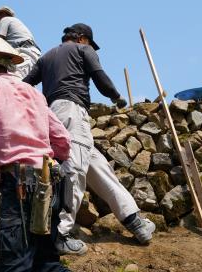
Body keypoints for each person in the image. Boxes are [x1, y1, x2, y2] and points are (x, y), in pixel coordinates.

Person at [24, 23, 155, 255]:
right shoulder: (83, 50)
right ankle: (60, 234)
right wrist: (117, 97)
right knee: (73, 169)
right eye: (89, 43)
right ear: (82, 38)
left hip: (52, 115)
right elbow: (99, 77)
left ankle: (134, 220)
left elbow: (25, 85)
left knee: (98, 166)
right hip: (72, 112)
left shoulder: (46, 57)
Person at [0, 35, 72, 272]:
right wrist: (53, 168)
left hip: (18, 185)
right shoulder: (34, 93)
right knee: (46, 262)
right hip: (48, 183)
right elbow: (62, 140)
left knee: (14, 264)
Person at [0, 6, 41, 79]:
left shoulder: (5, 19)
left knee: (15, 78)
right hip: (29, 52)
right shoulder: (15, 24)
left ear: (3, 14)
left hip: (24, 52)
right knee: (24, 83)